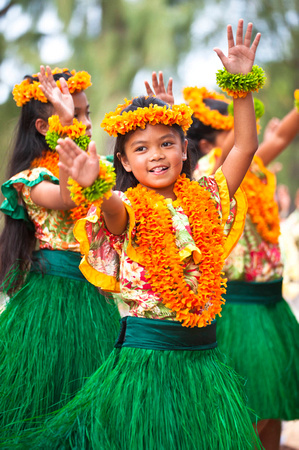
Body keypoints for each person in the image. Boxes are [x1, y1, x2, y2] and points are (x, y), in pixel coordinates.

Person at [6, 20, 265, 449]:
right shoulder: (126, 209)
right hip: (147, 366)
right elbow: (107, 208)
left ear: (186, 150)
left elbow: (245, 148)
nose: (157, 155)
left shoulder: (208, 198)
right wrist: (91, 181)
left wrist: (241, 84)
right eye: (141, 149)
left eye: (167, 144)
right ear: (124, 163)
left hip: (204, 362)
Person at [0, 67, 120, 439]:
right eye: (75, 114)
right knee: (42, 405)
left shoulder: (100, 173)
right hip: (49, 303)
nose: (85, 122)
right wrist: (67, 124)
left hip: (95, 301)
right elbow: (67, 198)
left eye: (85, 113)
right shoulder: (33, 180)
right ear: (42, 127)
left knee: (92, 410)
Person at [183, 80, 299, 449]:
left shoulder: (255, 166)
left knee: (273, 404)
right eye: (230, 126)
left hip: (269, 303)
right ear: (205, 145)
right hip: (239, 307)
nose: (244, 127)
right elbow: (246, 144)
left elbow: (279, 139)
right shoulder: (210, 173)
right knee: (248, 410)